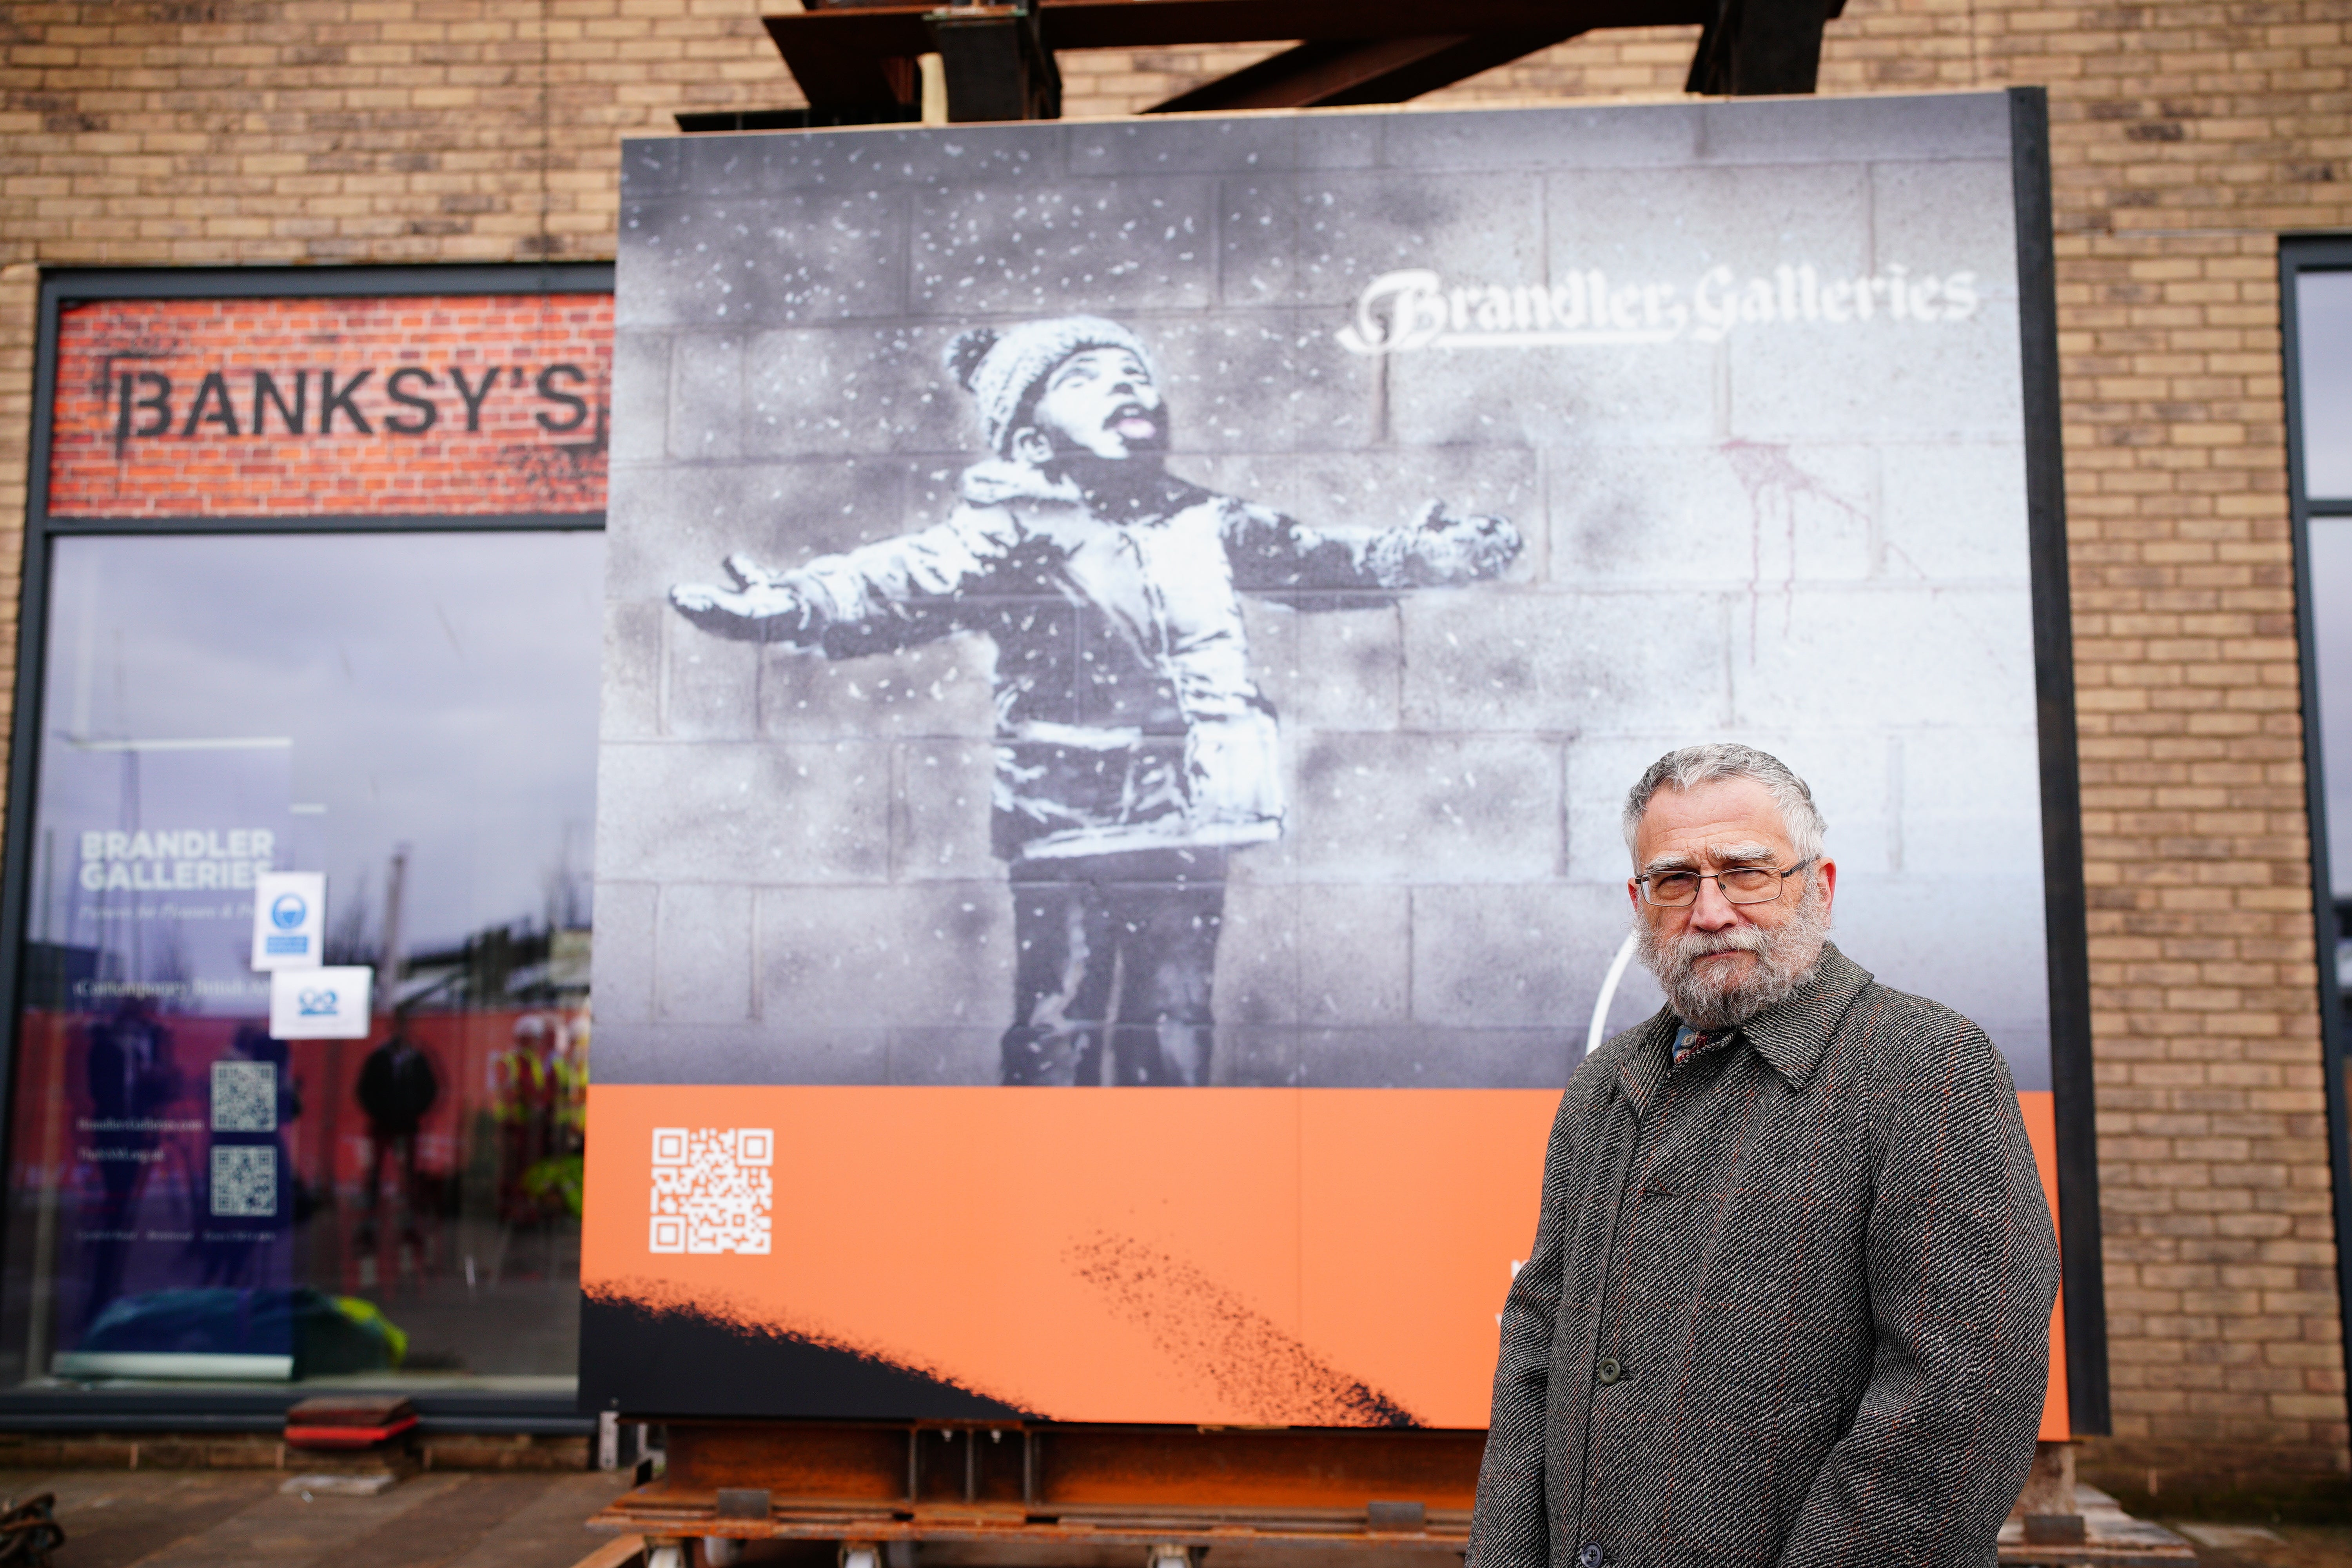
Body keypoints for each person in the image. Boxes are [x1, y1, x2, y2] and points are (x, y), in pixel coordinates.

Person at [671, 315, 1520, 1087]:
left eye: (1134, 375)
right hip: (1071, 819)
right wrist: (794, 602)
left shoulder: (1202, 519)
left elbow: (1318, 558)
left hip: (1193, 817)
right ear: (1029, 436)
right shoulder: (1013, 527)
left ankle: (1164, 1195)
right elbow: (900, 579)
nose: (1126, 387)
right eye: (1085, 378)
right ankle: (1052, 1187)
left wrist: (1429, 555)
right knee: (1061, 1015)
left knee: (1177, 1014)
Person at [1469, 743, 2060, 1568]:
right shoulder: (1603, 1085)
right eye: (1676, 879)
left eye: (1747, 871)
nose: (1711, 911)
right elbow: (1536, 1355)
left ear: (1818, 886)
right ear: (1641, 903)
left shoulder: (1930, 1062)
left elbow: (1958, 1403)